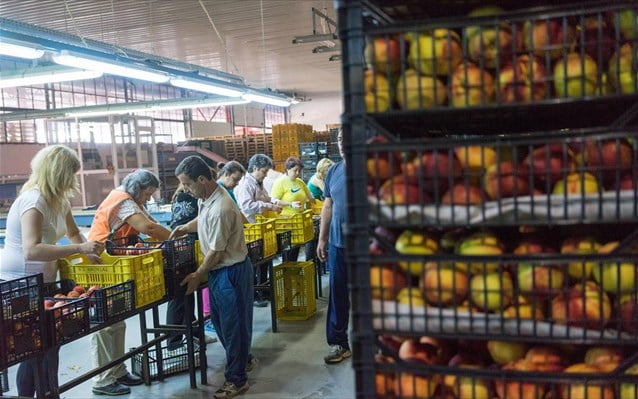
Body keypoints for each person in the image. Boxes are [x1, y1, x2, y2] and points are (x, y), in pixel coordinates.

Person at [0, 145, 104, 397]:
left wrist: (90, 253)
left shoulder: (59, 200)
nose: (73, 180)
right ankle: (33, 394)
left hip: (43, 281)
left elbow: (72, 233)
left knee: (50, 342)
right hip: (18, 283)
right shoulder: (34, 201)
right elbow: (32, 250)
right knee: (31, 346)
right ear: (58, 173)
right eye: (70, 174)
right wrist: (79, 247)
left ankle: (50, 392)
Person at [171, 156, 256, 399]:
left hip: (231, 272)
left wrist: (198, 274)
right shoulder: (207, 198)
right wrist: (186, 227)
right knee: (223, 324)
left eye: (187, 184)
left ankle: (237, 380)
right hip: (220, 273)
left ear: (201, 179)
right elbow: (203, 219)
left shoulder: (222, 208)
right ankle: (243, 358)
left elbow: (216, 253)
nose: (185, 189)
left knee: (233, 326)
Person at [88, 169, 171, 396]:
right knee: (106, 324)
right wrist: (174, 237)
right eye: (148, 194)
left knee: (118, 320)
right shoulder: (123, 201)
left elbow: (150, 221)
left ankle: (117, 370)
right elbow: (149, 228)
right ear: (138, 189)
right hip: (101, 263)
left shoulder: (131, 200)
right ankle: (103, 379)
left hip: (114, 261)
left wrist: (171, 233)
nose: (148, 198)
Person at [167, 184, 217, 351]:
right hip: (185, 248)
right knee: (180, 294)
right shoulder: (191, 198)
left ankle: (194, 334)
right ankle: (175, 342)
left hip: (185, 248)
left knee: (186, 295)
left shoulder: (179, 196)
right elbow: (202, 222)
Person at [316, 130, 351, 364]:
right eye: (339, 139)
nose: (342, 143)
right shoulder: (334, 171)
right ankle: (339, 343)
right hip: (339, 245)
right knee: (337, 296)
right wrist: (322, 238)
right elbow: (327, 206)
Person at [235, 154, 281, 307]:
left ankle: (263, 289)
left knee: (263, 260)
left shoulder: (258, 182)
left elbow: (266, 198)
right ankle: (254, 294)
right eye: (264, 171)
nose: (266, 174)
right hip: (249, 227)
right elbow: (246, 206)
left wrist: (275, 203)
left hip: (259, 226)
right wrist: (268, 206)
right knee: (253, 263)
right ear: (254, 168)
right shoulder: (245, 184)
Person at [271, 157, 316, 261]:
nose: (297, 173)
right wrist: (290, 204)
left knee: (296, 250)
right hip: (286, 222)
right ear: (287, 169)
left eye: (299, 170)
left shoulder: (300, 182)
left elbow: (310, 196)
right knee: (289, 252)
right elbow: (274, 200)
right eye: (295, 170)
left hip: (299, 222)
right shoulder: (280, 182)